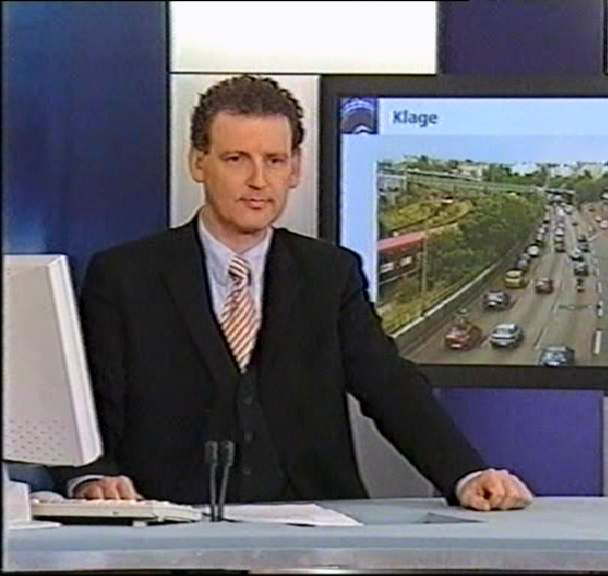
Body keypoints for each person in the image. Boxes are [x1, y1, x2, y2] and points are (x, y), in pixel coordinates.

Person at [52, 75, 533, 512]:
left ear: (296, 168)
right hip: (170, 529)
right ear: (198, 163)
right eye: (236, 159)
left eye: (275, 161)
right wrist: (91, 477)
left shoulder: (330, 273)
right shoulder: (125, 276)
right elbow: (88, 403)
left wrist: (464, 473)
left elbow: (388, 386)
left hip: (314, 529)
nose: (258, 181)